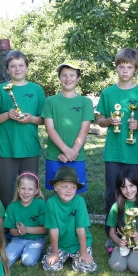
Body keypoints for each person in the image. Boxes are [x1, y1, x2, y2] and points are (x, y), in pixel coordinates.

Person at [96, 47, 138, 240]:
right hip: (113, 152)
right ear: (116, 68)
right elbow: (100, 120)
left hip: (135, 153)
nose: (125, 70)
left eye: (129, 67)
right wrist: (110, 121)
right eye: (121, 66)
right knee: (112, 192)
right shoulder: (108, 93)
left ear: (135, 69)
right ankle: (113, 234)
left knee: (136, 192)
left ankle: (136, 232)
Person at [0, 50, 46, 209]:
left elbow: (45, 119)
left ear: (27, 68)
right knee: (4, 193)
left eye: (21, 65)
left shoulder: (36, 90)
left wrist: (31, 119)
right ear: (7, 70)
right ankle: (4, 227)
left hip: (29, 149)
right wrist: (7, 115)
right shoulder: (0, 89)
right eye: (13, 66)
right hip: (6, 150)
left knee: (29, 190)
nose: (17, 69)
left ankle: (29, 226)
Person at [42, 60, 94, 193]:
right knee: (56, 193)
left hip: (76, 156)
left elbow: (84, 130)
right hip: (55, 156)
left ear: (78, 78)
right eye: (64, 75)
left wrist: (72, 152)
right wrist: (66, 150)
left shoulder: (85, 102)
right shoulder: (50, 101)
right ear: (59, 77)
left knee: (74, 194)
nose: (68, 79)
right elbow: (49, 128)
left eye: (72, 75)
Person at [42, 166, 97, 273]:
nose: (69, 190)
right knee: (50, 266)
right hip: (60, 244)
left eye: (73, 187)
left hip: (78, 244)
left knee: (87, 267)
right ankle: (59, 254)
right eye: (64, 186)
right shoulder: (51, 203)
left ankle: (81, 254)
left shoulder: (79, 201)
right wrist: (54, 253)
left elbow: (81, 229)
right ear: (55, 187)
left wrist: (83, 252)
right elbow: (53, 230)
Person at [107, 169, 138, 273]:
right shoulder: (116, 207)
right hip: (124, 243)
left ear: (137, 185)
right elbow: (112, 232)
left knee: (135, 267)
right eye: (124, 187)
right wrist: (119, 241)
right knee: (118, 267)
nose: (128, 190)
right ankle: (117, 250)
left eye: (131, 185)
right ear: (119, 189)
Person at [4, 172, 47, 267]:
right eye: (23, 188)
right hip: (18, 239)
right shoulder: (12, 207)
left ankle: (32, 250)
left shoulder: (41, 205)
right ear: (18, 190)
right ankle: (20, 250)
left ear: (36, 191)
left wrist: (27, 229)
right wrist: (19, 231)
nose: (26, 192)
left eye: (30, 189)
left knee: (28, 261)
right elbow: (11, 231)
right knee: (5, 261)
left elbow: (45, 229)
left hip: (36, 240)